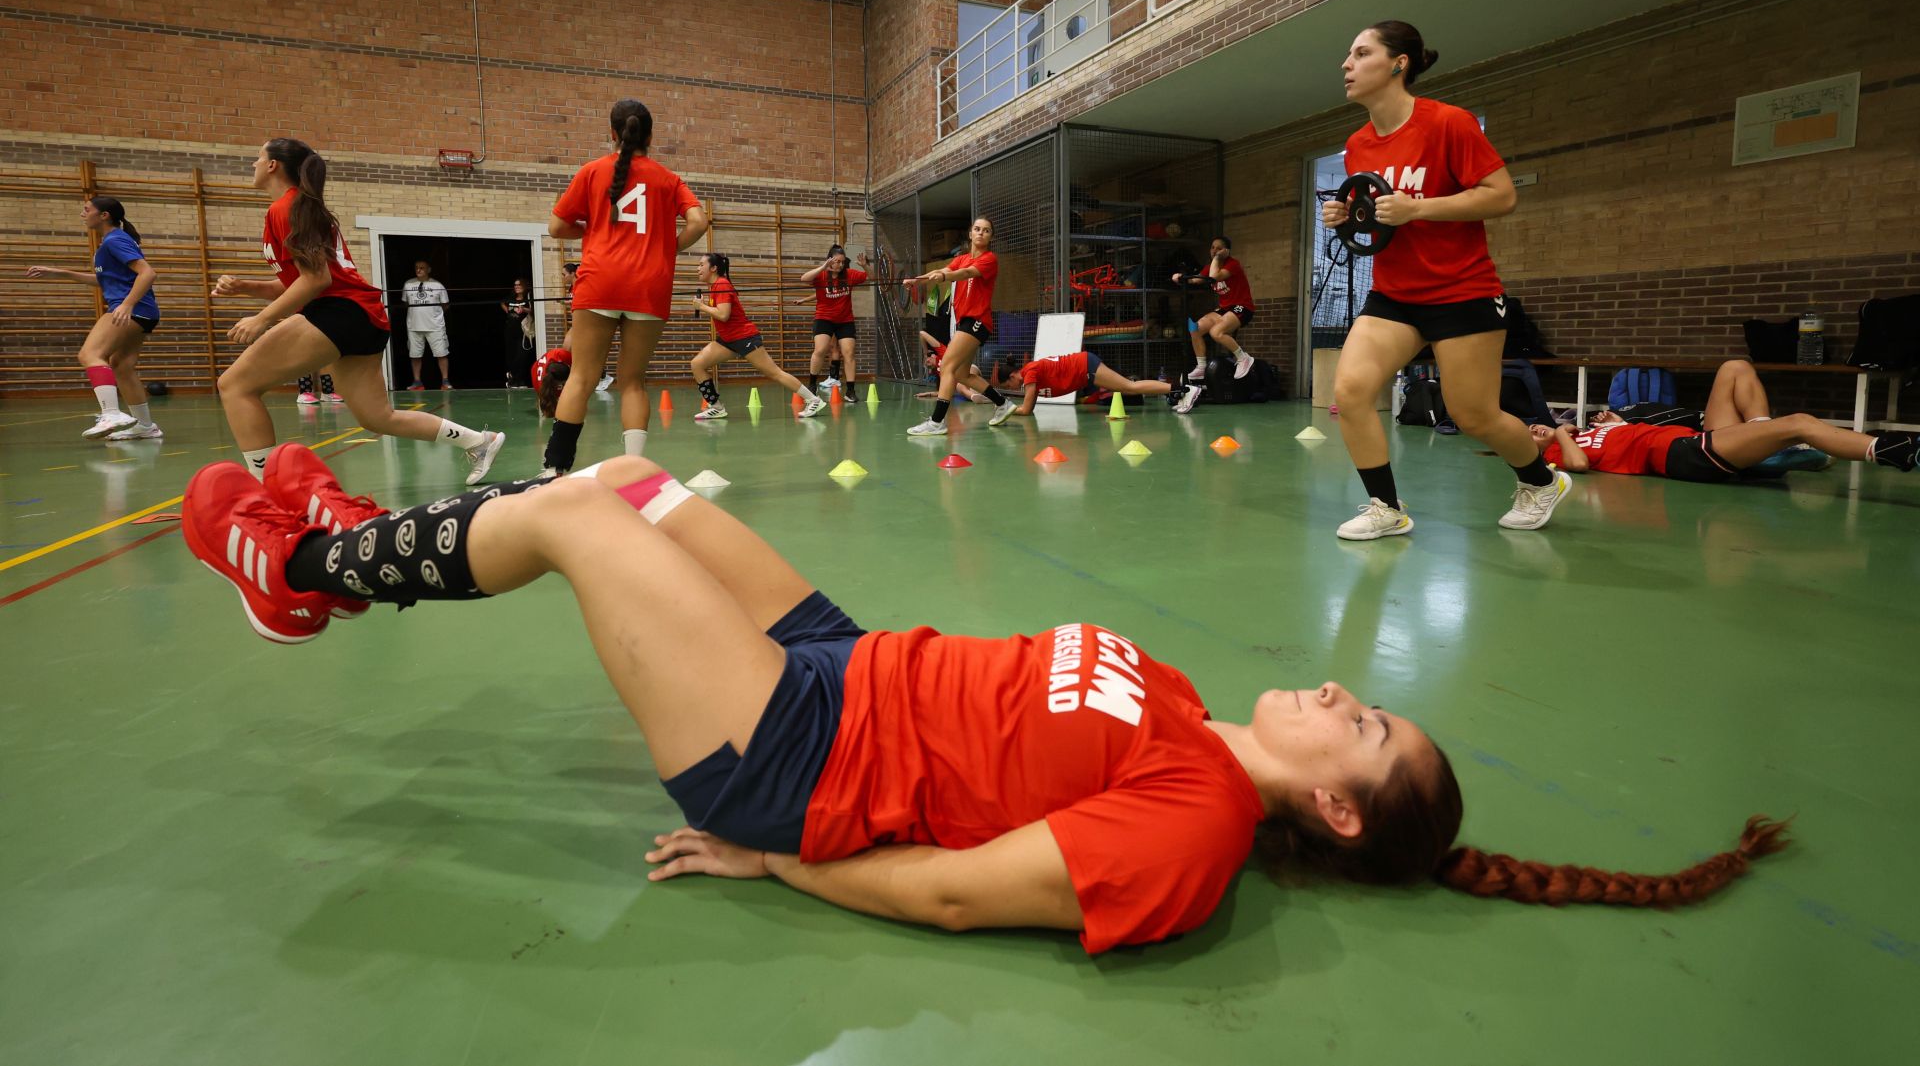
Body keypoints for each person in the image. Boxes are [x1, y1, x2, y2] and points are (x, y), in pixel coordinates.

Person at [180, 443, 1792, 952]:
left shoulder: (1196, 830)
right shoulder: (1179, 703)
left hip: (795, 759)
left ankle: (302, 568)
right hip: (849, 667)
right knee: (638, 479)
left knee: (567, 525)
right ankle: (366, 543)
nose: (1338, 688)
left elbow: (957, 892)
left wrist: (779, 855)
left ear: (1338, 804)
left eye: (1360, 722)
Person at [1321, 21, 1566, 541]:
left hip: (1463, 291)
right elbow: (1379, 214)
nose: (1346, 64)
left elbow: (1501, 195)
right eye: (1348, 55)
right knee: (1352, 390)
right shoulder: (1357, 145)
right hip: (1393, 294)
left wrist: (1419, 209)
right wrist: (1348, 217)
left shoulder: (1449, 123)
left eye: (1361, 53)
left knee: (1474, 415)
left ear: (1398, 63)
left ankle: (1541, 481)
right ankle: (1386, 507)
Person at [211, 137, 504, 484]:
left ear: (273, 165)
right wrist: (248, 288)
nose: (253, 165)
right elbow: (307, 280)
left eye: (257, 158)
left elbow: (316, 280)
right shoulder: (299, 207)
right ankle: (479, 442)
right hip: (361, 316)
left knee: (235, 385)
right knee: (377, 418)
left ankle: (268, 488)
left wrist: (262, 319)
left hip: (339, 313)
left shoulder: (285, 209)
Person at [542, 98, 711, 475]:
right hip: (649, 286)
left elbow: (556, 227)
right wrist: (668, 247)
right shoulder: (669, 179)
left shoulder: (591, 171)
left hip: (600, 281)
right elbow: (698, 222)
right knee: (633, 381)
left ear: (613, 134)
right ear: (650, 136)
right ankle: (634, 468)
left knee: (583, 376)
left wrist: (590, 229)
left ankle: (555, 467)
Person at [1537, 360, 1915, 480]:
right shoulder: (1555, 452)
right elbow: (1579, 466)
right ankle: (1898, 451)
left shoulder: (1583, 433)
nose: (1533, 427)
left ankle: (1761, 441)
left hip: (1692, 437)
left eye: (1531, 425)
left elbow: (1623, 439)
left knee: (1734, 368)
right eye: (1529, 433)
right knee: (1798, 422)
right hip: (1683, 455)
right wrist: (1559, 432)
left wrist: (1615, 423)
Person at [23, 195, 164, 440]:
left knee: (90, 354)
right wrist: (61, 273)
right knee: (122, 365)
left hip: (131, 309)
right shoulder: (110, 243)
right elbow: (106, 280)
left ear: (104, 215)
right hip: (144, 312)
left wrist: (127, 305)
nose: (82, 214)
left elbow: (147, 273)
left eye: (86, 209)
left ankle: (111, 413)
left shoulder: (115, 240)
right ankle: (145, 426)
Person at [905, 218, 1015, 435]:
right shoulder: (961, 258)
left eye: (986, 231)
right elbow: (946, 269)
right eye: (977, 229)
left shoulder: (989, 259)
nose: (981, 233)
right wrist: (917, 280)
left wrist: (944, 276)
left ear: (990, 237)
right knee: (962, 374)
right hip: (966, 321)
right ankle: (1003, 404)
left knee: (946, 366)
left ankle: (937, 422)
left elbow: (964, 274)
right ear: (970, 233)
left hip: (977, 321)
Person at [689, 253, 826, 422]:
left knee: (774, 372)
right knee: (697, 364)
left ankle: (813, 400)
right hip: (727, 340)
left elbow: (723, 315)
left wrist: (701, 306)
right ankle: (716, 407)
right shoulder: (715, 286)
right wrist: (703, 305)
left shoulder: (722, 284)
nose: (697, 268)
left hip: (744, 338)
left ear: (713, 268)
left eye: (701, 264)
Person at [1172, 237, 1257, 404]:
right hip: (1225, 309)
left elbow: (1214, 277)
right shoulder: (1209, 267)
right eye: (1212, 248)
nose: (1214, 251)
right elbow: (1196, 279)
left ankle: (1243, 358)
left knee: (1216, 332)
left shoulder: (1233, 264)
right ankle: (1201, 366)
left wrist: (1218, 258)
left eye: (1219, 248)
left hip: (1242, 307)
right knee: (1193, 327)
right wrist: (1181, 277)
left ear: (1227, 251)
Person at [1002, 351, 1174, 419]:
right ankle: (1175, 390)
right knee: (1126, 388)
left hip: (1085, 366)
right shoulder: (1030, 376)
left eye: (1009, 386)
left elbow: (1024, 410)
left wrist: (1005, 410)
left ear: (1012, 376)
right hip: (1085, 373)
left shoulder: (1029, 373)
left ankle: (1176, 389)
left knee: (1129, 387)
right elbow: (1029, 409)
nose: (1012, 389)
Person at [802, 246, 869, 396]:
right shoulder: (821, 276)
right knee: (820, 350)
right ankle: (812, 385)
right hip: (824, 319)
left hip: (845, 320)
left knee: (849, 353)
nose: (839, 265)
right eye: (836, 261)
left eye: (842, 262)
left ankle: (850, 390)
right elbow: (804, 278)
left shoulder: (850, 275)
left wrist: (865, 265)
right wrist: (823, 267)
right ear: (829, 260)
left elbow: (871, 277)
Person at [401, 260, 451, 390]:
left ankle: (445, 381)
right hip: (414, 326)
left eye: (422, 268)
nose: (419, 270)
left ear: (429, 269)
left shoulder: (437, 285)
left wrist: (434, 315)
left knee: (441, 353)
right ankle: (417, 382)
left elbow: (445, 305)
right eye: (416, 267)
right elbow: (405, 303)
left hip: (435, 326)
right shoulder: (408, 284)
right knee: (415, 355)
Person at [501, 278, 536, 389]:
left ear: (524, 286)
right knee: (511, 355)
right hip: (510, 331)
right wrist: (507, 310)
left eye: (519, 285)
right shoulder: (511, 297)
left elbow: (533, 310)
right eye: (515, 285)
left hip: (523, 331)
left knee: (522, 356)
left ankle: (519, 379)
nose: (517, 287)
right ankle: (513, 380)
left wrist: (523, 309)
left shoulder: (528, 297)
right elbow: (502, 302)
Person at [532, 346, 572, 419]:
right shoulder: (540, 384)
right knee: (549, 398)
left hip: (554, 357)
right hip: (535, 368)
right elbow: (545, 399)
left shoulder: (561, 354)